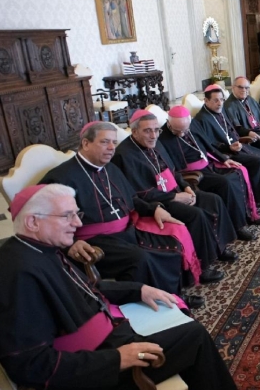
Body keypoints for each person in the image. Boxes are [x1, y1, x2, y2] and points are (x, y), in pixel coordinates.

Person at [0, 184, 238, 390]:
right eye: (68, 216)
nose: (77, 224)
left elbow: (83, 290)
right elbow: (28, 365)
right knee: (194, 338)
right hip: (83, 381)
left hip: (104, 344)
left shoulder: (38, 248)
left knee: (181, 324)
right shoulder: (18, 274)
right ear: (34, 221)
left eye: (77, 215)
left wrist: (138, 289)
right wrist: (118, 359)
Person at [40, 121, 202, 308]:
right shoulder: (60, 177)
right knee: (141, 258)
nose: (111, 148)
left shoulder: (109, 167)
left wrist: (154, 209)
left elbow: (131, 198)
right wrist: (70, 244)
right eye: (104, 142)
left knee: (172, 242)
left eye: (114, 143)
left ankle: (173, 296)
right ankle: (153, 304)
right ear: (85, 143)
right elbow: (46, 221)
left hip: (127, 230)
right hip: (95, 241)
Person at [112, 110, 239, 283]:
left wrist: (187, 187)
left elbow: (173, 172)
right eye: (147, 130)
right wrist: (175, 198)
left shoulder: (156, 143)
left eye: (156, 130)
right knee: (196, 214)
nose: (153, 135)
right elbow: (139, 193)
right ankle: (202, 266)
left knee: (213, 200)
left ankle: (219, 248)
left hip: (176, 192)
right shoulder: (124, 155)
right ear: (134, 131)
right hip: (158, 203)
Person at [160, 105, 260, 237]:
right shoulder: (162, 137)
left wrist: (223, 158)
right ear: (169, 123)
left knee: (238, 172)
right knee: (226, 183)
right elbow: (171, 167)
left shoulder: (194, 124)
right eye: (176, 131)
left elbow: (207, 143)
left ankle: (246, 214)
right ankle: (238, 227)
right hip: (192, 174)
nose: (181, 134)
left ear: (189, 122)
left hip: (208, 163)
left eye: (184, 130)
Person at [194, 84, 260, 204]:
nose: (220, 103)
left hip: (237, 146)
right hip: (225, 154)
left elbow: (231, 130)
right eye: (215, 100)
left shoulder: (220, 111)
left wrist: (238, 141)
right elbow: (209, 145)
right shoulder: (202, 119)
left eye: (221, 99)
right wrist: (229, 147)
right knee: (259, 161)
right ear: (206, 100)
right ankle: (259, 198)